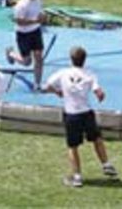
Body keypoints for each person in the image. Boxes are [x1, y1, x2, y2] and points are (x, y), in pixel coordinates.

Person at [43, 47, 118, 187]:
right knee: (96, 139)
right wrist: (100, 95)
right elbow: (99, 92)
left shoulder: (63, 73)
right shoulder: (90, 74)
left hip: (71, 115)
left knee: (73, 147)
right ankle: (106, 164)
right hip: (86, 113)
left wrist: (57, 92)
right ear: (84, 60)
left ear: (71, 59)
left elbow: (46, 86)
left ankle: (77, 177)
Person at [5, 0, 46, 90]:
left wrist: (42, 17)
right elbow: (19, 22)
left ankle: (37, 84)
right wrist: (35, 21)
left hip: (36, 31)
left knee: (39, 57)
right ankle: (11, 54)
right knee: (27, 62)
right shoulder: (22, 5)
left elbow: (39, 9)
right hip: (23, 34)